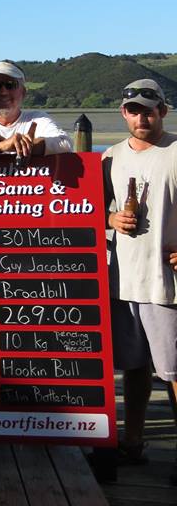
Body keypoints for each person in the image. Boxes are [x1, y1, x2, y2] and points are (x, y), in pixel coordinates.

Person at [102, 79, 177, 484]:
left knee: (175, 373)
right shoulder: (110, 158)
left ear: (163, 111)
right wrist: (110, 219)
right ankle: (132, 444)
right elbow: (85, 211)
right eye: (133, 109)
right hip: (121, 281)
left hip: (166, 285)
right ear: (124, 113)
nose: (141, 116)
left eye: (149, 109)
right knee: (133, 369)